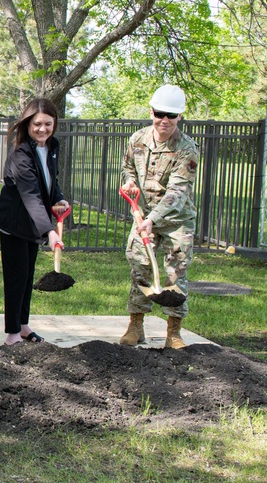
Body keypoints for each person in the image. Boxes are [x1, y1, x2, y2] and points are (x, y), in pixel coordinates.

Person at [120, 84, 199, 349]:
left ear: (180, 117)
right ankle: (136, 325)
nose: (165, 120)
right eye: (160, 113)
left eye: (172, 115)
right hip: (144, 214)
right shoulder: (137, 139)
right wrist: (130, 182)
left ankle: (174, 332)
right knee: (140, 267)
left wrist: (152, 219)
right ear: (151, 111)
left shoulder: (188, 149)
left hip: (176, 219)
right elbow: (128, 167)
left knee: (175, 272)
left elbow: (177, 192)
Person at [0, 98, 69, 345]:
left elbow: (48, 182)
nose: (42, 129)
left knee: (27, 273)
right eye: (37, 124)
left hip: (33, 223)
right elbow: (31, 195)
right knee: (16, 277)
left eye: (47, 124)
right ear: (27, 124)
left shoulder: (50, 147)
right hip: (14, 223)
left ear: (54, 124)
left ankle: (23, 325)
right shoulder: (20, 155)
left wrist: (59, 198)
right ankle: (12, 334)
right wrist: (50, 231)